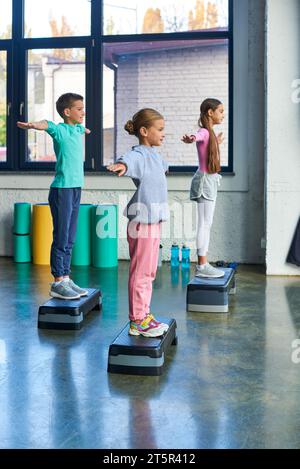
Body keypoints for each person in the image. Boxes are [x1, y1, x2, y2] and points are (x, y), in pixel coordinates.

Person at [17, 93, 91, 299]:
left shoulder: (76, 128)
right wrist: (33, 125)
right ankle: (58, 281)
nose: (83, 112)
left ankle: (66, 277)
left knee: (70, 236)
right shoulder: (60, 130)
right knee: (61, 236)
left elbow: (81, 128)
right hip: (62, 190)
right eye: (79, 109)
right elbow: (46, 124)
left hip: (76, 188)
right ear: (67, 112)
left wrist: (83, 128)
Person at [107, 108, 169, 337]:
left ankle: (144, 313)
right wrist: (121, 165)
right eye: (160, 130)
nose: (164, 134)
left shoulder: (154, 155)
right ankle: (137, 321)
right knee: (141, 272)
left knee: (150, 271)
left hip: (154, 221)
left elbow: (162, 167)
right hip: (142, 222)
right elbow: (129, 159)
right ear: (144, 131)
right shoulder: (139, 155)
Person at [182, 98, 225, 278]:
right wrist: (191, 138)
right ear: (210, 112)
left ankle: (203, 263)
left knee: (207, 224)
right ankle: (202, 265)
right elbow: (197, 136)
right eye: (220, 111)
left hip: (210, 180)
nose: (223, 115)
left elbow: (206, 146)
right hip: (205, 181)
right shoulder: (205, 132)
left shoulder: (211, 134)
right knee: (204, 224)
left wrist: (217, 144)